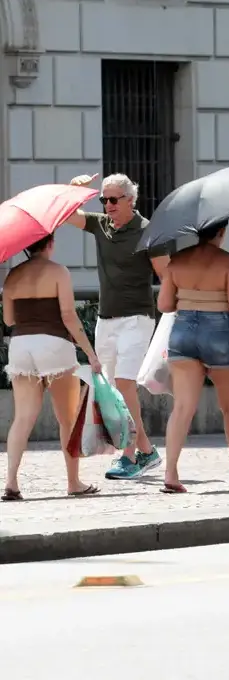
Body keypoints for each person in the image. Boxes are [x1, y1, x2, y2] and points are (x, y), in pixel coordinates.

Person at [67, 173, 170, 481]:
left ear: (130, 200)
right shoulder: (101, 224)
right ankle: (146, 451)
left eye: (114, 199)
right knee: (112, 391)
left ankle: (130, 456)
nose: (108, 205)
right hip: (106, 320)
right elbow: (69, 216)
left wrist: (174, 316)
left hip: (137, 318)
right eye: (104, 200)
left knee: (125, 384)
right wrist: (77, 191)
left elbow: (167, 277)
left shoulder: (148, 230)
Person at [156, 220, 229, 493]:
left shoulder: (177, 261)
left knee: (182, 407)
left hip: (182, 331)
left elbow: (165, 305)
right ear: (221, 232)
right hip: (219, 333)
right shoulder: (228, 261)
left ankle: (170, 473)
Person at [1, 234, 102, 500]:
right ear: (50, 244)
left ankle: (11, 482)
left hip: (21, 345)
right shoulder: (59, 272)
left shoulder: (12, 276)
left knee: (22, 418)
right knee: (66, 418)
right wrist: (90, 353)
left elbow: (9, 319)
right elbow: (69, 316)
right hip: (54, 345)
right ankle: (73, 482)